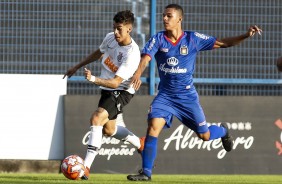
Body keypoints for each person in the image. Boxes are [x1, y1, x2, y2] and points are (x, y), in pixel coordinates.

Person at [127, 4, 262, 181]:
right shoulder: (158, 38)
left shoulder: (192, 38)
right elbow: (146, 58)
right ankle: (146, 173)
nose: (165, 19)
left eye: (169, 16)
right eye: (163, 16)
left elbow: (223, 43)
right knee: (153, 127)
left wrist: (245, 35)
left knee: (204, 135)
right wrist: (137, 74)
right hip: (165, 96)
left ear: (179, 19)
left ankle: (223, 131)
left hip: (187, 97)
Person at [63, 10, 145, 180]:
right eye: (114, 28)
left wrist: (93, 78)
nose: (115, 32)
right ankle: (140, 143)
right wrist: (77, 66)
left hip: (122, 90)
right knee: (109, 130)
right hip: (108, 89)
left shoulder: (132, 53)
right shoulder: (110, 38)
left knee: (96, 118)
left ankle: (85, 167)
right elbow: (99, 52)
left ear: (129, 29)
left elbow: (116, 82)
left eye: (119, 29)